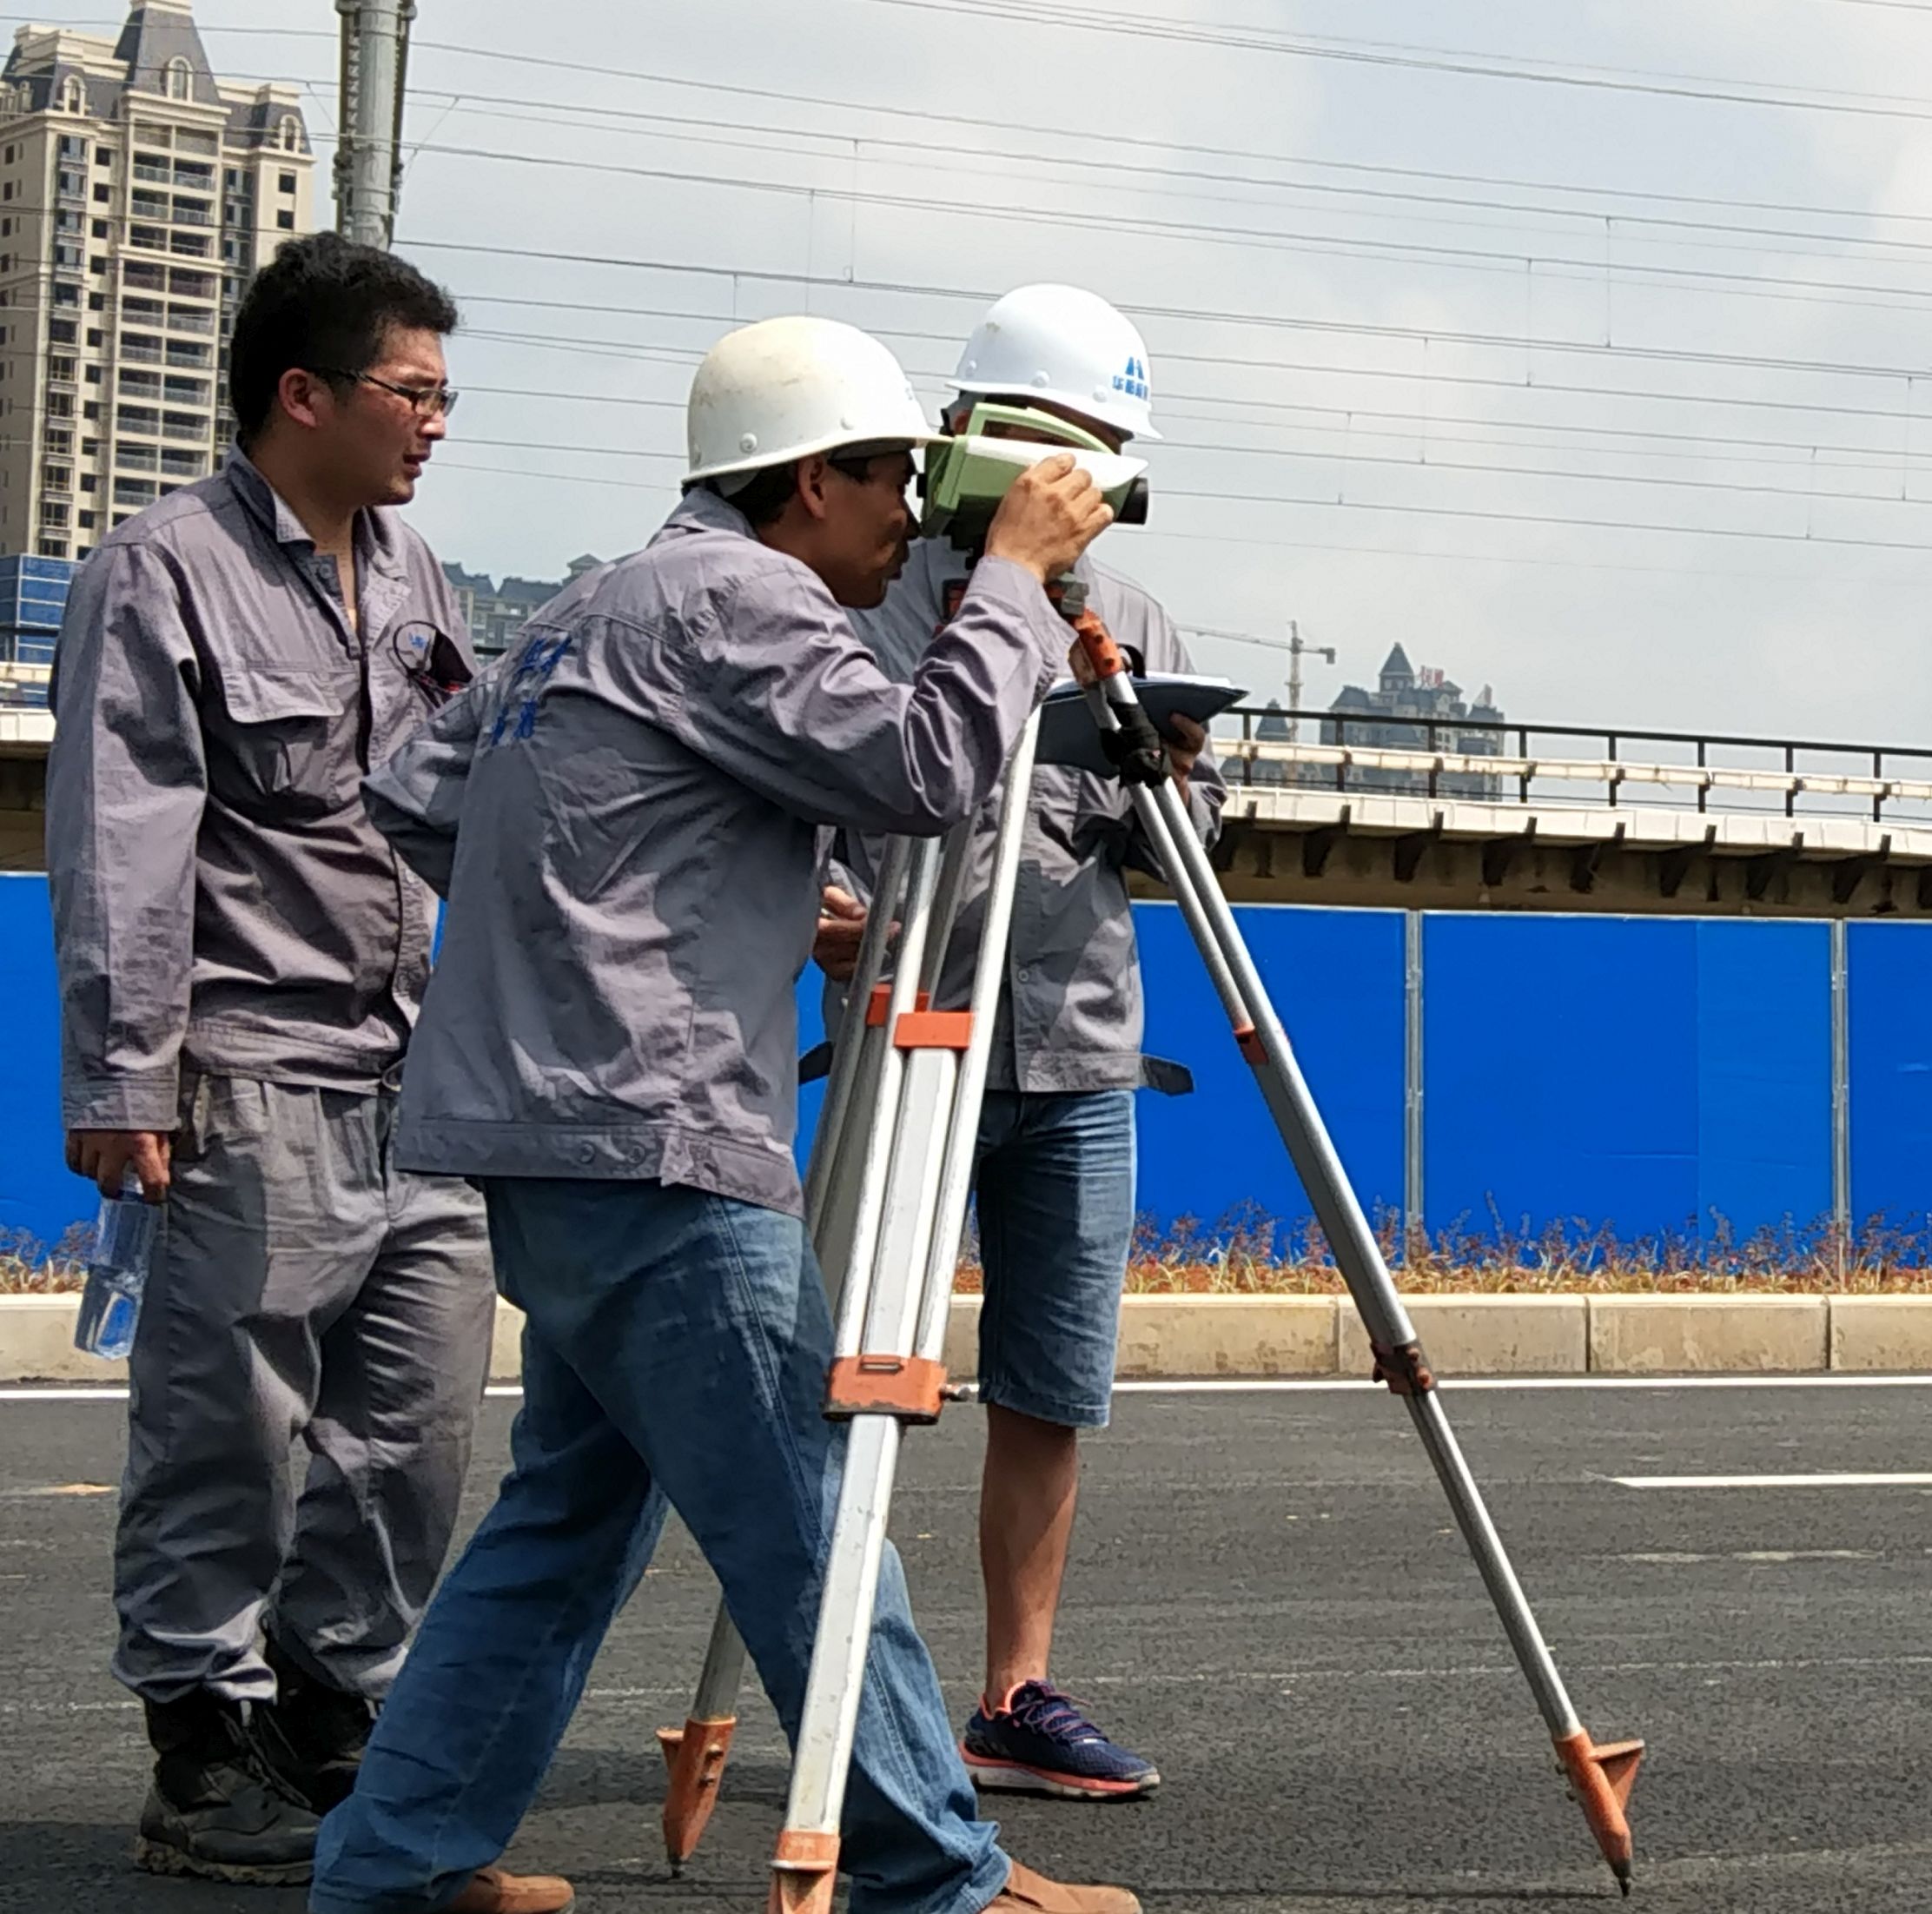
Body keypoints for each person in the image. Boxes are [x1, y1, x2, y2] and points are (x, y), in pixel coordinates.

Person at [312, 315, 1139, 1914]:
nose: (910, 516)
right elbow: (925, 766)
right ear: (810, 480)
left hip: (542, 1127)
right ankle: (935, 1873)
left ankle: (398, 1857)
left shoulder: (595, 599)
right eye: (892, 480)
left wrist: (665, 886)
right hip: (661, 1137)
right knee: (812, 1515)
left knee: (568, 1512)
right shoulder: (742, 597)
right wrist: (1012, 580)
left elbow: (420, 792)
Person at [46, 234, 511, 1894]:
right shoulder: (160, 571)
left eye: (446, 394)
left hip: (421, 1074)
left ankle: (328, 1711)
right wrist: (126, 1075)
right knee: (226, 1428)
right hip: (251, 1061)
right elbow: (121, 834)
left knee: (413, 1431)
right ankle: (200, 1741)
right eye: (414, 390)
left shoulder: (420, 575)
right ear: (302, 393)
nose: (436, 421)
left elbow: (463, 802)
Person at [812, 282, 1222, 1805]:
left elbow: (1181, 849)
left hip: (1079, 1045)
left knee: (1052, 1381)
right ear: (976, 437)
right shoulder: (866, 592)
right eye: (1065, 444)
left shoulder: (1133, 619)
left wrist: (1170, 771)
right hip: (911, 1034)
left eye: (1106, 453)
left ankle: (1013, 1692)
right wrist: (814, 911)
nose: (1084, 480)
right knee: (855, 1375)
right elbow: (781, 801)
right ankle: (835, 1685)